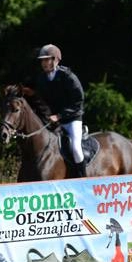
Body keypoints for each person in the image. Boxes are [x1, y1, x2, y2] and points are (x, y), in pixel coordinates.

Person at [28, 44, 87, 178]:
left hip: (72, 119)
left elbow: (78, 101)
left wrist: (59, 116)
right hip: (54, 121)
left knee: (76, 149)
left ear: (55, 60)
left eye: (46, 59)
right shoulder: (42, 79)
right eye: (42, 60)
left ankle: (83, 179)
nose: (44, 63)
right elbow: (43, 101)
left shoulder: (68, 76)